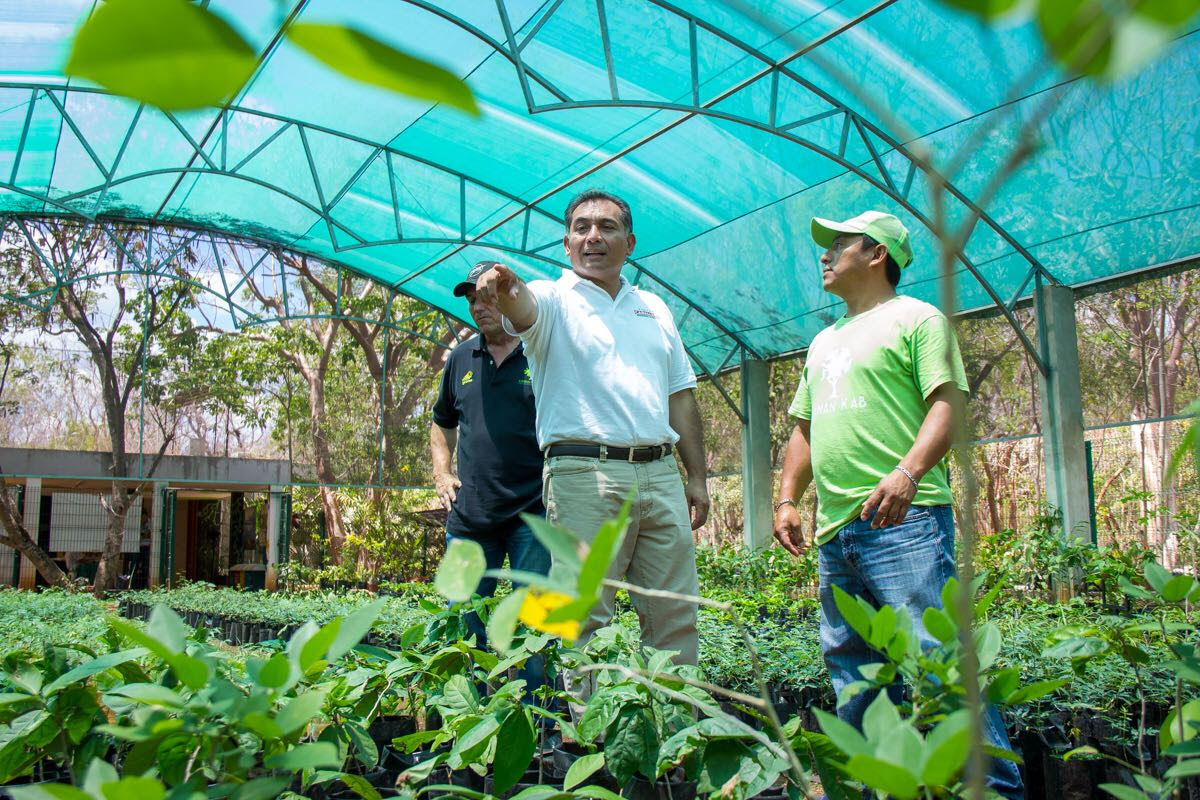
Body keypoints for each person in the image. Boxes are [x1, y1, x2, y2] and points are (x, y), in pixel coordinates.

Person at [772, 211, 1024, 798]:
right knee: (855, 673)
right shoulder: (824, 340)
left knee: (938, 665)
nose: (825, 256)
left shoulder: (918, 319)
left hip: (904, 524)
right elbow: (804, 429)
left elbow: (948, 404)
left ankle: (995, 790)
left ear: (877, 253)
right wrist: (787, 499)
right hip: (837, 531)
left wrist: (908, 473)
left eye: (839, 245)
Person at [474, 189, 709, 667]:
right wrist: (507, 287)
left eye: (607, 227)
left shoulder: (654, 308)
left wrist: (698, 477)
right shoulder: (553, 298)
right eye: (581, 228)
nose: (593, 236)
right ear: (567, 244)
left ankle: (677, 713)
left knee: (675, 614)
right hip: (585, 475)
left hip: (661, 474)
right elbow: (522, 307)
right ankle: (591, 718)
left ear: (630, 242)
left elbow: (680, 395)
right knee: (585, 617)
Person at [430, 260, 550, 691]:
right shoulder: (461, 358)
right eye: (472, 300)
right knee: (464, 628)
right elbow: (442, 423)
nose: (478, 307)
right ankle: (466, 717)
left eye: (487, 297)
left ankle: (542, 722)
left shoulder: (538, 351)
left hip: (533, 515)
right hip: (472, 518)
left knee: (536, 626)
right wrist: (442, 472)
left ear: (509, 298)